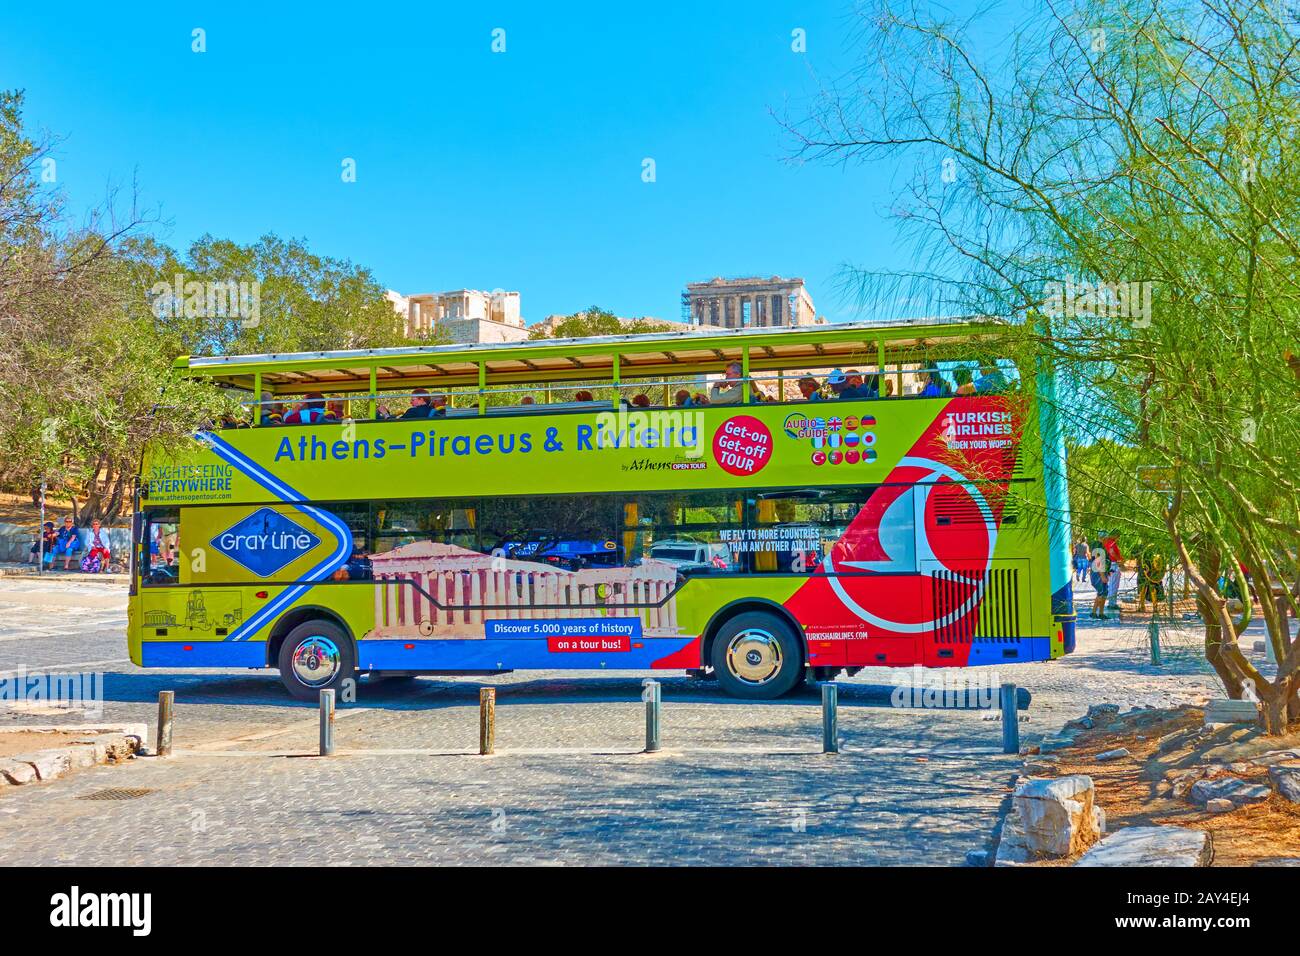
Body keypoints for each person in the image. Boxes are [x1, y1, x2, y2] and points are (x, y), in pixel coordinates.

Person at [1088, 548, 1108, 619]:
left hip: (1099, 577)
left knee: (1103, 594)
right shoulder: (1099, 557)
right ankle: (1096, 613)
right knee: (1101, 594)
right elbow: (1099, 566)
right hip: (1098, 578)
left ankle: (1099, 613)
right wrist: (1103, 576)